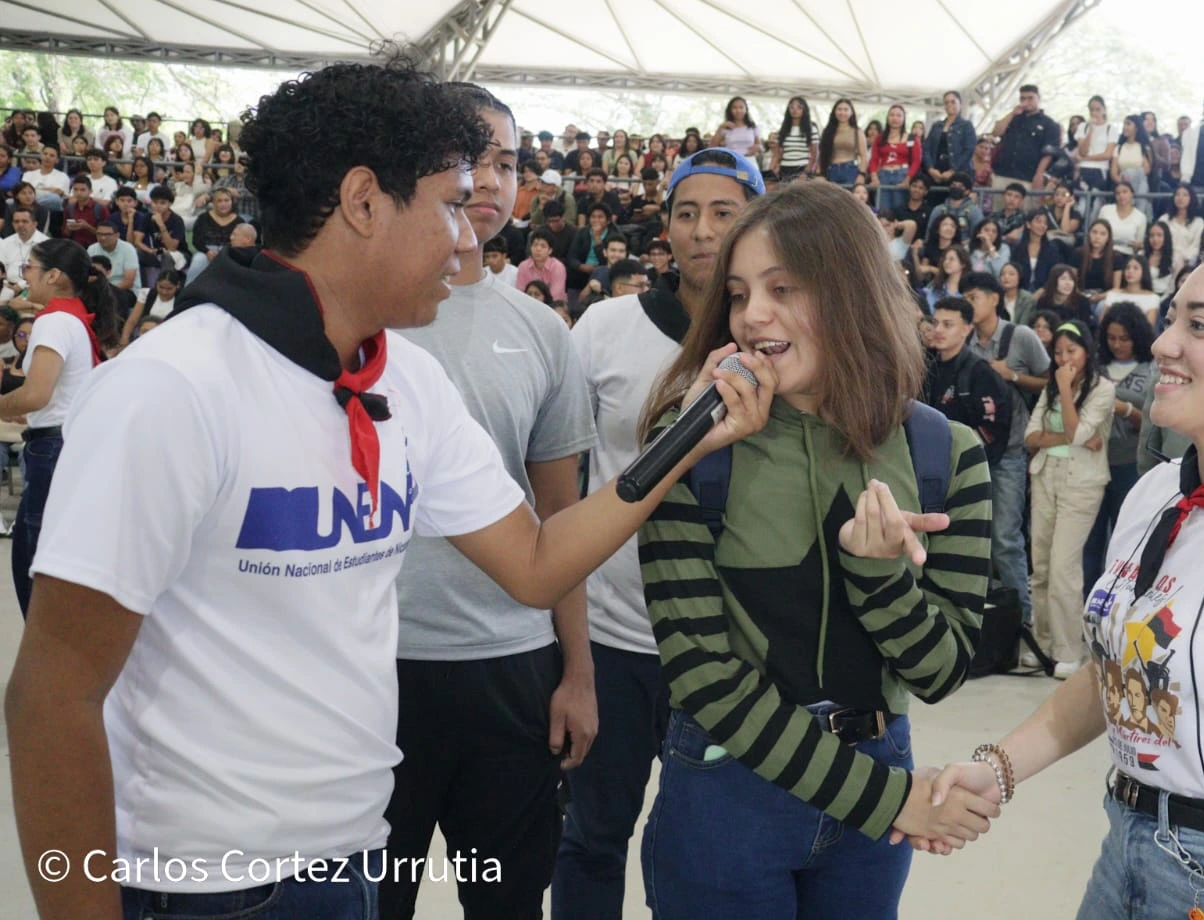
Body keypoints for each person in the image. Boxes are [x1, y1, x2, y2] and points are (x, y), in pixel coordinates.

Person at [4, 63, 773, 920]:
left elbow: (534, 562)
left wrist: (691, 430)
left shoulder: (403, 379)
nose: (467, 236)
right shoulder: (170, 390)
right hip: (201, 885)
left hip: (352, 858)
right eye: (450, 204)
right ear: (365, 201)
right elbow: (53, 697)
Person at [921, 238, 1204, 920]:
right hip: (1129, 840)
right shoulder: (1158, 492)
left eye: (1199, 325)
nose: (1165, 344)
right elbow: (1115, 672)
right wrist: (998, 767)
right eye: (1171, 319)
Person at [636, 180, 995, 918]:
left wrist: (879, 578)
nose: (751, 316)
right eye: (739, 294)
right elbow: (703, 675)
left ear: (852, 292)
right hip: (730, 788)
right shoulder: (691, 444)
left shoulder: (944, 451)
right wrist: (889, 800)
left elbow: (941, 671)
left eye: (783, 288)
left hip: (876, 784)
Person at [375, 84, 600, 920]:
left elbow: (561, 519)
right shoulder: (365, 322)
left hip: (510, 666)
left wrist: (578, 671)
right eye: (470, 158)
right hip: (378, 663)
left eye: (506, 161)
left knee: (506, 902)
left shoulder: (543, 334)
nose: (490, 180)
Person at [554, 148, 766, 917]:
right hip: (613, 637)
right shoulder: (605, 327)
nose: (703, 231)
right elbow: (561, 488)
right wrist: (571, 659)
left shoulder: (779, 336)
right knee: (591, 838)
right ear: (665, 227)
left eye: (723, 213)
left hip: (727, 648)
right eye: (686, 213)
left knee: (709, 854)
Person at [1, 238, 117, 613]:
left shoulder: (53, 321)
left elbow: (37, 394)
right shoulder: (73, 318)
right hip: (66, 444)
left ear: (53, 276)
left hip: (53, 450)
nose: (24, 277)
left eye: (29, 268)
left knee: (37, 571)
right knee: (37, 559)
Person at [1024, 320, 1115, 678]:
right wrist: (1066, 436)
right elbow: (1031, 436)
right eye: (1058, 352)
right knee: (1041, 566)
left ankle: (1068, 649)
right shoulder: (1050, 388)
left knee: (1063, 566)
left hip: (1081, 483)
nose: (1064, 359)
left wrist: (1064, 391)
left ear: (1087, 352)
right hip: (1045, 476)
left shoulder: (1102, 389)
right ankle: (1042, 643)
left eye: (1071, 351)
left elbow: (1078, 433)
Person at [960, 271, 1050, 627]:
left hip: (1011, 450)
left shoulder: (1020, 336)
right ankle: (982, 621)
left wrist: (1011, 375)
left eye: (974, 298)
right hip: (973, 452)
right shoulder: (964, 340)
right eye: (964, 298)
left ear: (995, 299)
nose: (969, 304)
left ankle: (1021, 622)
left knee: (1005, 539)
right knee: (975, 538)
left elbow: (1050, 382)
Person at [1081, 303, 1155, 589]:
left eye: (1124, 338)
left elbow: (1154, 422)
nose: (1117, 344)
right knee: (1090, 539)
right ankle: (1087, 598)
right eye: (1111, 338)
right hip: (1092, 460)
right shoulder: (1096, 368)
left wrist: (1126, 410)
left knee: (1124, 536)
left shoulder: (1152, 371)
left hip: (1129, 462)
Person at [922, 295, 1011, 467]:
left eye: (948, 325)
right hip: (931, 459)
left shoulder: (979, 372)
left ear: (966, 329)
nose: (938, 330)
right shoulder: (928, 367)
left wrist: (959, 453)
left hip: (967, 464)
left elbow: (994, 426)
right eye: (935, 323)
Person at [990, 84, 1062, 201]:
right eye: (1023, 98)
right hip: (1003, 173)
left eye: (1030, 98)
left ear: (1038, 98)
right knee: (998, 207)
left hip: (1028, 176)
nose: (1026, 102)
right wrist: (1012, 113)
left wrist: (1039, 175)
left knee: (1026, 208)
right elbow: (996, 132)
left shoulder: (1049, 124)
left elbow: (1049, 153)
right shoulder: (1013, 118)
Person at [923, 90, 977, 190]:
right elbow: (926, 149)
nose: (949, 105)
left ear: (960, 104)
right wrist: (930, 169)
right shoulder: (936, 126)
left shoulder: (966, 125)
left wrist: (953, 171)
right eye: (946, 102)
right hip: (936, 174)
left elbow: (969, 150)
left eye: (953, 102)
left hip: (959, 175)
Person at [119, 268, 183, 346]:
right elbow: (133, 320)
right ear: (156, 283)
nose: (164, 292)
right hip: (146, 334)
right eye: (161, 287)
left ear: (177, 285)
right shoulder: (145, 293)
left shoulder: (182, 299)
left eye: (169, 289)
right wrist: (124, 338)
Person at [820, 99, 868, 188]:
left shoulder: (857, 132)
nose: (842, 112)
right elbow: (822, 155)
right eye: (839, 109)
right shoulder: (827, 131)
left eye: (846, 110)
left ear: (851, 112)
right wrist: (819, 174)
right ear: (834, 111)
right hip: (831, 171)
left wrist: (862, 174)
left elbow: (864, 156)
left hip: (850, 170)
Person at [1157, 182, 1204, 268]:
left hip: (1187, 263)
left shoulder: (1198, 222)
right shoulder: (1164, 219)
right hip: (1165, 260)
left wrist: (1183, 259)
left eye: (1185, 195)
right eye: (1177, 195)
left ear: (1191, 198)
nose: (1180, 198)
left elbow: (1196, 246)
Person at [1095, 180, 1146, 255]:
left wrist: (1137, 246)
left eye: (1125, 192)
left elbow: (1138, 243)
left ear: (1132, 194)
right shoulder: (1105, 210)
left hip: (1127, 254)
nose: (1121, 195)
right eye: (1118, 193)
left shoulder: (1141, 217)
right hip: (1105, 252)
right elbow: (1098, 231)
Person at [772, 97, 818, 180]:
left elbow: (814, 154)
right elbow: (777, 154)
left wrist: (806, 172)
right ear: (788, 110)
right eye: (792, 107)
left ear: (804, 110)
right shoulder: (782, 130)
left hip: (803, 168)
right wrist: (774, 167)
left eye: (799, 107)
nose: (795, 110)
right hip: (785, 168)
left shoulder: (811, 129)